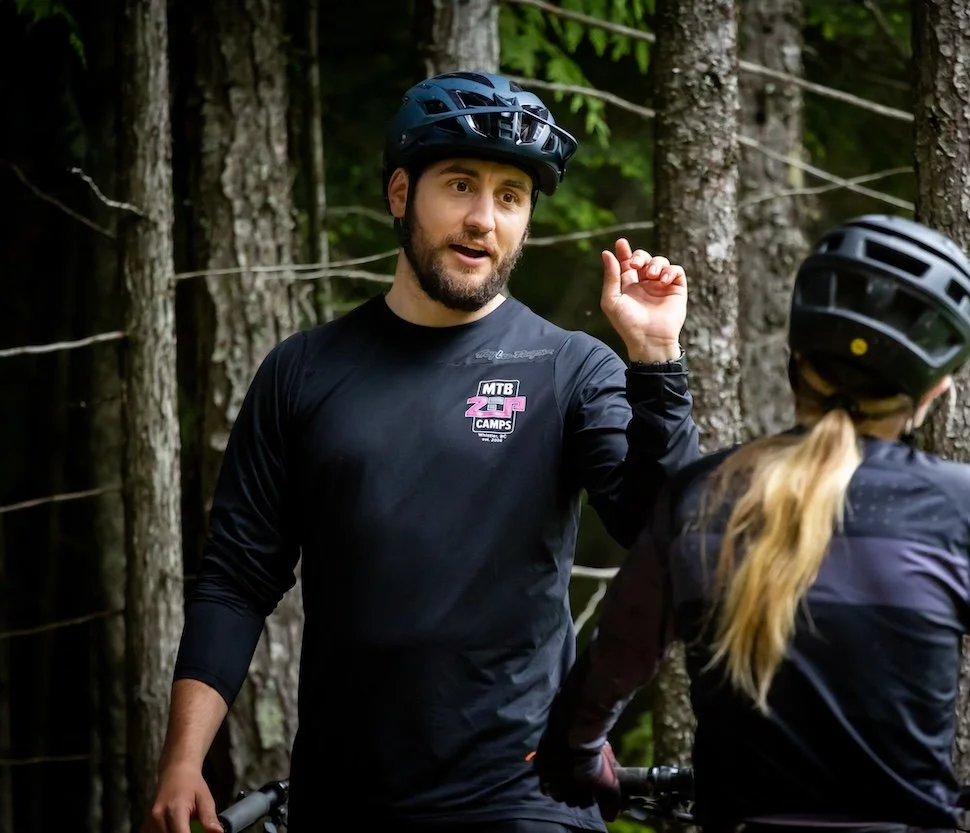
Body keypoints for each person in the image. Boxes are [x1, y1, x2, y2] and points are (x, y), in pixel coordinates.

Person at [144, 71, 701, 833]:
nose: (483, 219)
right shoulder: (303, 372)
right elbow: (236, 580)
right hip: (344, 801)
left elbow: (660, 531)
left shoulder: (572, 368)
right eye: (462, 185)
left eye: (510, 197)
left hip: (526, 800)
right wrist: (182, 763)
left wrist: (657, 359)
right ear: (402, 193)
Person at [533, 215, 970, 833]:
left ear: (794, 354)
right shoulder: (959, 510)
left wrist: (578, 761)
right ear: (935, 390)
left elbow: (604, 676)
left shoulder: (704, 497)